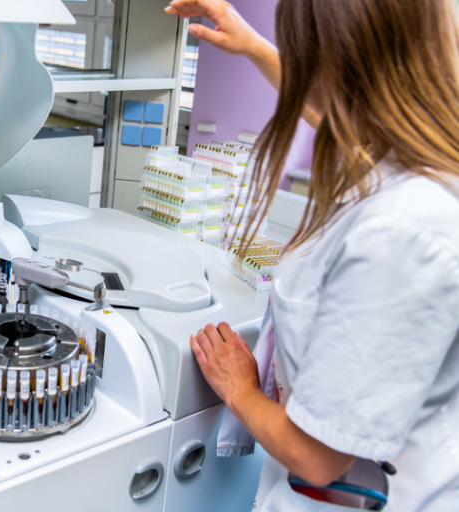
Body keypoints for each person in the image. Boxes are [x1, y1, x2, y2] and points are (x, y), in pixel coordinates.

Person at [165, 0, 459, 510]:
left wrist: (241, 388)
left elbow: (318, 457)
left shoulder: (401, 231)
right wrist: (253, 47)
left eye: (303, 56)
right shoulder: (417, 150)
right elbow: (335, 115)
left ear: (337, 59)